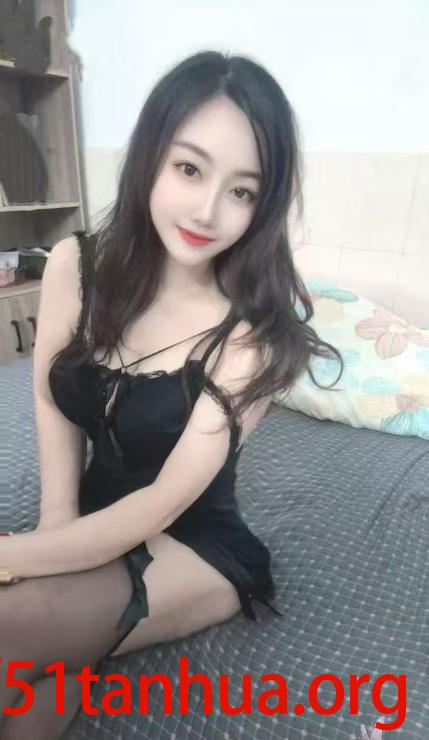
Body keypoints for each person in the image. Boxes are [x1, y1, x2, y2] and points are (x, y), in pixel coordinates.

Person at [0, 50, 343, 738]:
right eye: (189, 169)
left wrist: (12, 556)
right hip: (93, 512)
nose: (208, 211)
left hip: (193, 545)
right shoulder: (75, 264)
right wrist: (55, 522)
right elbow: (50, 396)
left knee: (14, 633)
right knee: (34, 672)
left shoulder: (251, 337)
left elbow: (161, 502)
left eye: (242, 192)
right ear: (151, 155)